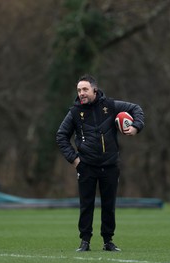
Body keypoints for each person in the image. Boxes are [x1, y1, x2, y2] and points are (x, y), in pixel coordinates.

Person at [56, 74, 145, 252]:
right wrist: (74, 159)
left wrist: (136, 127)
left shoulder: (110, 106)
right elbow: (61, 136)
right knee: (86, 205)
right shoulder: (74, 112)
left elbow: (136, 109)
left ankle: (108, 241)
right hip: (86, 166)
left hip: (110, 166)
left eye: (85, 90)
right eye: (79, 90)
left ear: (94, 90)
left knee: (109, 205)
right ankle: (85, 241)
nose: (81, 93)